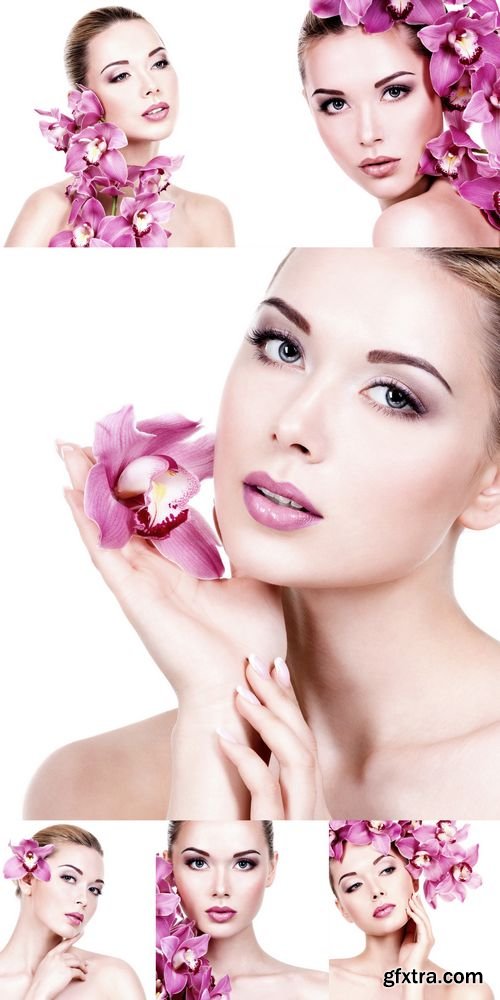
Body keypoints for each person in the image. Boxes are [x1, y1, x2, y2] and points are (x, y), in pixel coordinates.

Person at [24, 247, 500, 820]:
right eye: (283, 348)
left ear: (490, 483)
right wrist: (217, 706)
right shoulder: (87, 789)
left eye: (394, 395)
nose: (293, 423)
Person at [5, 6, 234, 247]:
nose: (151, 85)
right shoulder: (49, 210)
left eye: (159, 63)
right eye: (121, 75)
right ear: (85, 102)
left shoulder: (209, 218)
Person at [298, 10, 500, 248]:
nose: (368, 134)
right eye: (336, 104)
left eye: (395, 91)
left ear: (448, 83)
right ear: (310, 107)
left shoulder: (411, 227)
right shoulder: (472, 210)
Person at [162, 820, 327, 999]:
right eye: (198, 863)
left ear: (271, 869)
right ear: (168, 868)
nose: (221, 889)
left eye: (243, 864)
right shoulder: (152, 983)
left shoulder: (319, 991)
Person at [328, 821, 493, 999]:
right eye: (354, 886)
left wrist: (412, 978)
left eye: (386, 870)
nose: (376, 891)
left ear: (414, 879)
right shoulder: (323, 982)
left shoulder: (468, 994)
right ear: (342, 909)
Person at [0, 823, 145, 998]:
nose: (84, 900)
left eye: (94, 890)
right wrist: (39, 992)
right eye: (69, 878)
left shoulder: (114, 977)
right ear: (28, 880)